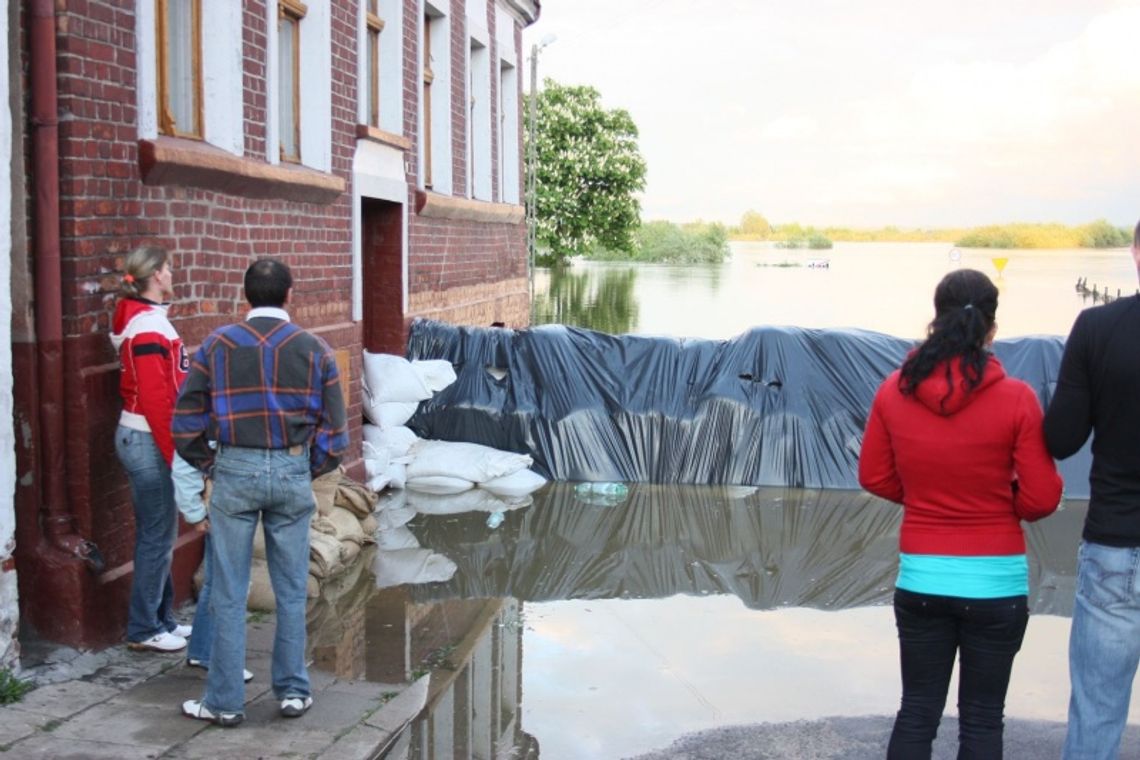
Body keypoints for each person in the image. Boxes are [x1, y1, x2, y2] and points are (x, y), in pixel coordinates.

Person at [858, 268, 1063, 758]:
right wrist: (993, 502)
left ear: (935, 320)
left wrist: (929, 499)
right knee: (982, 721)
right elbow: (1042, 499)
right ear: (991, 330)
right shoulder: (1017, 399)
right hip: (996, 586)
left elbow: (873, 476)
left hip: (923, 578)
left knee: (917, 711)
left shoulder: (894, 390)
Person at [174, 259, 348, 727]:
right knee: (292, 588)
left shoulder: (217, 345)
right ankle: (292, 691)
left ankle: (224, 702)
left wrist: (209, 464)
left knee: (228, 590)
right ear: (291, 294)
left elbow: (186, 419)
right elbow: (335, 431)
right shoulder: (315, 350)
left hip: (235, 467)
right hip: (292, 468)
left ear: (246, 296)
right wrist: (306, 466)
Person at [1044, 219, 1140, 760]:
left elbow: (1061, 437)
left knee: (1098, 713)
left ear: (1135, 254)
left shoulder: (1097, 328)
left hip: (1115, 548)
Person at [111, 245, 192, 652]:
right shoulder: (147, 328)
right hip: (146, 438)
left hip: (147, 437)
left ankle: (162, 619)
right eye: (169, 268)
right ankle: (144, 628)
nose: (173, 274)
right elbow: (157, 398)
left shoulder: (150, 322)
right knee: (156, 535)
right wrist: (173, 452)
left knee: (161, 532)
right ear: (157, 275)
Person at [171, 452, 253, 684]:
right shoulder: (216, 416)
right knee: (227, 581)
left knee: (218, 578)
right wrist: (194, 511)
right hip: (225, 497)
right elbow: (185, 456)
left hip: (227, 495)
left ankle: (202, 650)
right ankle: (217, 658)